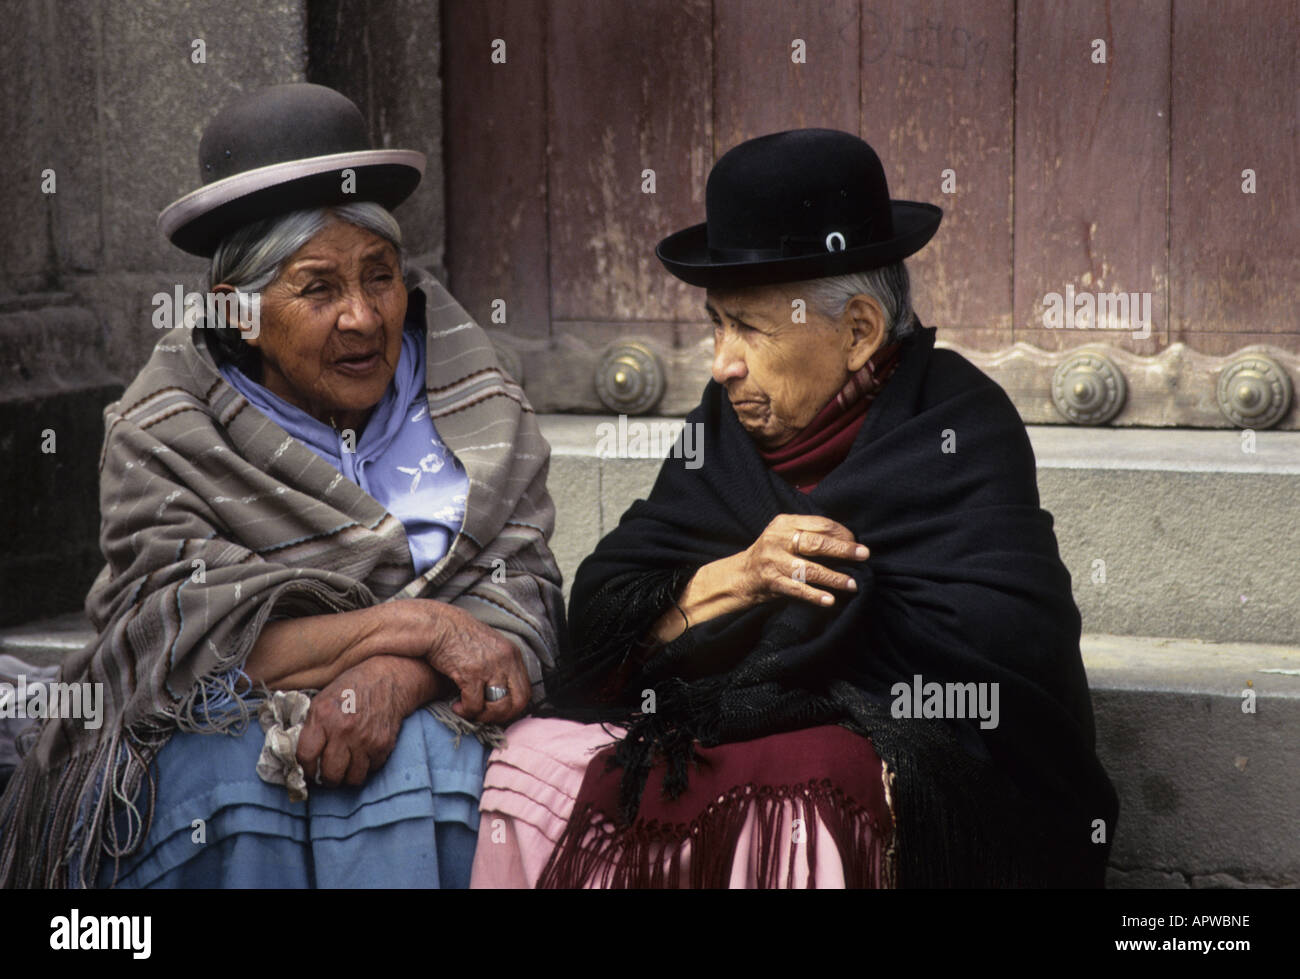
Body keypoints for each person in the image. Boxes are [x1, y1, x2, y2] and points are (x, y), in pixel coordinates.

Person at [470, 128, 1118, 888]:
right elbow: (608, 612)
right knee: (532, 755)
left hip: (905, 755)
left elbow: (1003, 661)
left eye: (748, 327)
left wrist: (798, 646)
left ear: (858, 333)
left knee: (805, 792)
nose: (721, 362)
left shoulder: (958, 427)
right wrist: (743, 580)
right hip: (725, 724)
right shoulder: (721, 431)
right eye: (717, 321)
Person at [0, 83, 564, 888]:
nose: (366, 318)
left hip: (430, 724)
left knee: (436, 764)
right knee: (226, 778)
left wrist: (393, 675)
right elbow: (173, 648)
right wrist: (423, 625)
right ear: (237, 314)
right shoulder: (166, 430)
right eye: (319, 288)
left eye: (380, 276)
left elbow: (524, 606)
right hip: (226, 738)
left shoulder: (474, 397)